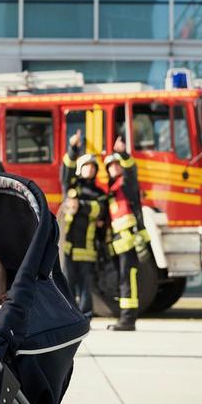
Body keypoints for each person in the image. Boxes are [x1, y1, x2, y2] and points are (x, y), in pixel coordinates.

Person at [102, 136, 150, 331]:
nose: (114, 168)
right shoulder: (112, 191)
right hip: (118, 243)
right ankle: (124, 318)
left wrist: (122, 153)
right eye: (110, 166)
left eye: (116, 164)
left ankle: (128, 320)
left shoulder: (127, 185)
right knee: (122, 279)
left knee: (128, 278)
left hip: (129, 241)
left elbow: (131, 170)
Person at [59, 130, 106, 316]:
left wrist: (81, 205)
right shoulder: (72, 186)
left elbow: (100, 209)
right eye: (86, 167)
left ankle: (86, 315)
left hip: (87, 247)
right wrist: (72, 149)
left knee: (86, 284)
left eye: (93, 167)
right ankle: (68, 315)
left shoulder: (99, 192)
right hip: (68, 246)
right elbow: (66, 170)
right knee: (67, 283)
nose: (90, 170)